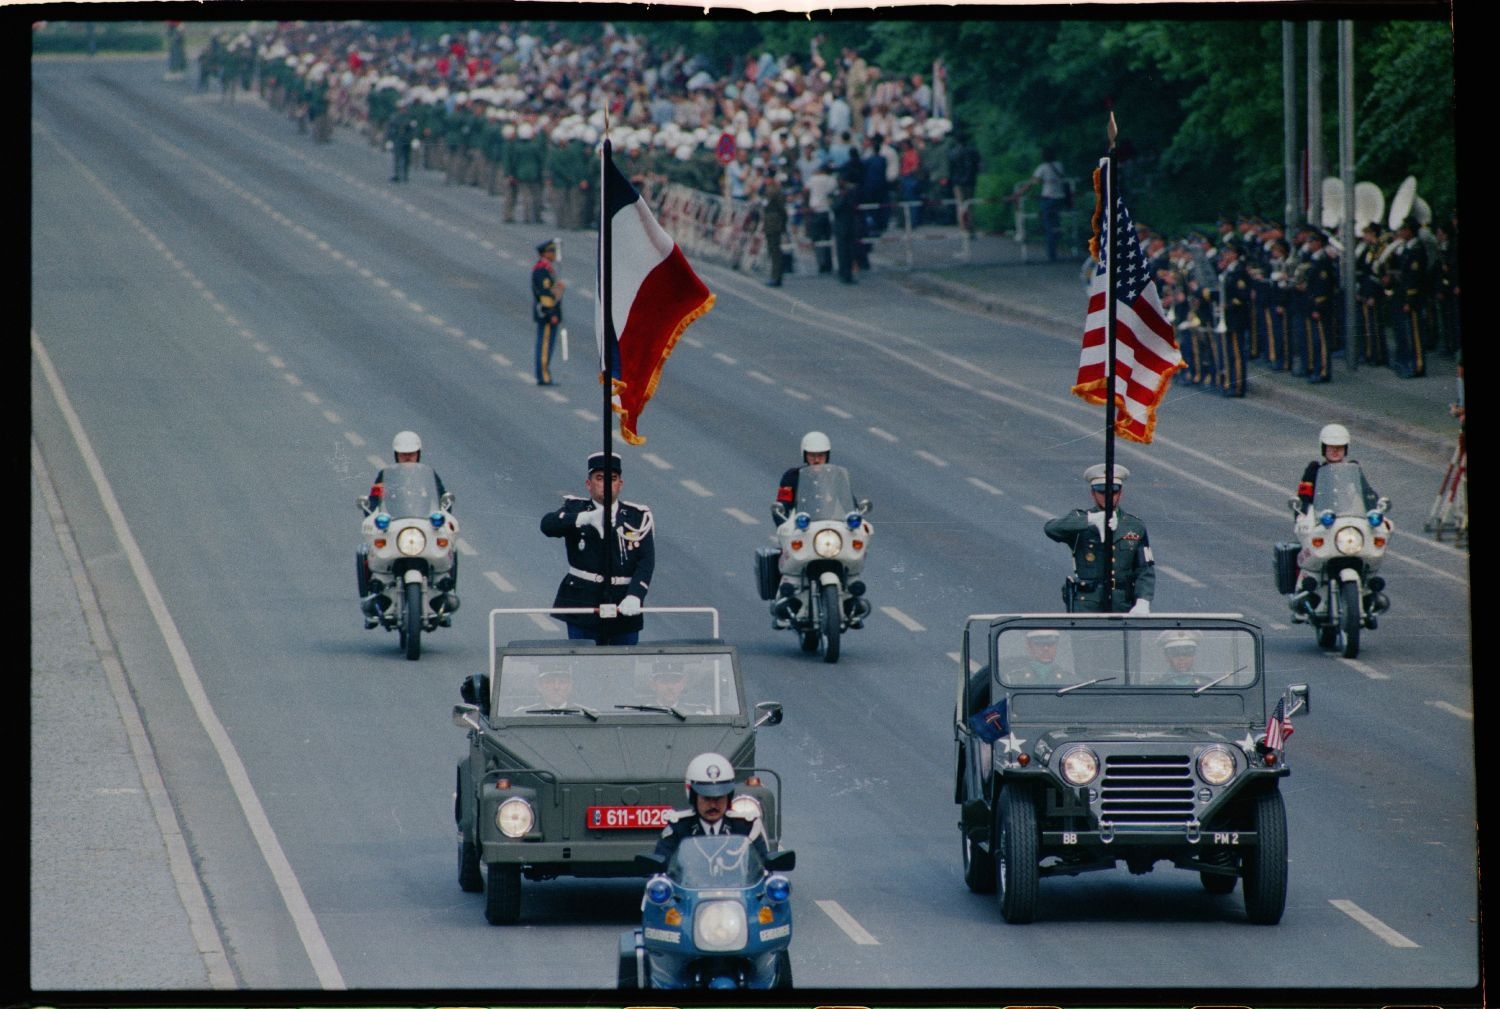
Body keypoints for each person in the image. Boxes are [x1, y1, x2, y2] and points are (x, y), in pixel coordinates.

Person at [540, 452, 655, 645]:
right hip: (584, 600)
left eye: (612, 479)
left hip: (623, 602)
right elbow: (548, 526)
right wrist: (583, 518)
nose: (607, 484)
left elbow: (646, 561)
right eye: (600, 478)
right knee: (583, 665)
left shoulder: (637, 516)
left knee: (624, 666)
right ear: (589, 484)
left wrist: (636, 595)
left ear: (620, 484)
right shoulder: (575, 509)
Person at [359, 431, 457, 626]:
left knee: (449, 547)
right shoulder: (385, 476)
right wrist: (372, 510)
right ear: (396, 455)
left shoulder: (429, 476)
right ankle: (371, 594)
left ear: (418, 454)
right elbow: (372, 503)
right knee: (365, 550)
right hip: (395, 529)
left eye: (411, 454)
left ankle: (446, 590)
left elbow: (443, 500)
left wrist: (441, 511)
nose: (407, 458)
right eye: (403, 454)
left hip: (421, 527)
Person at [1044, 464, 1156, 614]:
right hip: (1088, 603)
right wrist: (1090, 520)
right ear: (1093, 494)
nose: (1108, 496)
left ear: (1120, 493)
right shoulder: (1081, 520)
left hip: (1122, 603)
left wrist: (1143, 600)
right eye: (1102, 492)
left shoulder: (1134, 526)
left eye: (1113, 491)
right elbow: (1051, 529)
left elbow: (1145, 569)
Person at [653, 752, 767, 861]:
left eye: (719, 798)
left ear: (729, 796)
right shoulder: (678, 828)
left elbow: (764, 868)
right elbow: (660, 869)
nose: (713, 805)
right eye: (706, 798)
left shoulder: (746, 828)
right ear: (693, 796)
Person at [1294, 424, 1382, 513]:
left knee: (1384, 525)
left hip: (1348, 516)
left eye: (1340, 447)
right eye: (1331, 447)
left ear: (1345, 449)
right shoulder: (1314, 470)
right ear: (1324, 448)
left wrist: (1374, 507)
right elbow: (1303, 497)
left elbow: (1366, 492)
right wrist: (1302, 515)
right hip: (1320, 517)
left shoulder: (1352, 469)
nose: (1335, 451)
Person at [1013, 147, 1068, 262]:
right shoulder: (1059, 165)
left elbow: (1031, 182)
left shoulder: (1042, 168)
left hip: (1048, 199)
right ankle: (1060, 245)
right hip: (1060, 198)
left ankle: (1051, 254)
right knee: (1056, 224)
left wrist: (1018, 193)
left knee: (1047, 225)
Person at [531, 238, 564, 386]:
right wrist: (552, 313)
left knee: (546, 345)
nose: (554, 254)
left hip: (547, 312)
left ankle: (545, 374)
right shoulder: (542, 270)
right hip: (546, 314)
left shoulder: (547, 269)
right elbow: (545, 295)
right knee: (544, 346)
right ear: (545, 253)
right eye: (552, 251)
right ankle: (543, 376)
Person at [1000, 629, 1073, 684]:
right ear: (1029, 647)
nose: (1046, 648)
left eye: (1051, 644)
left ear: (1056, 646)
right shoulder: (1012, 680)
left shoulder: (1070, 681)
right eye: (1039, 644)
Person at [760, 173, 788, 287]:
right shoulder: (773, 190)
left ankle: (776, 277)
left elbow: (780, 209)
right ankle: (775, 276)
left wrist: (783, 222)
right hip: (773, 222)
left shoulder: (772, 190)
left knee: (774, 251)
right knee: (774, 250)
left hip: (773, 223)